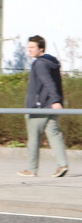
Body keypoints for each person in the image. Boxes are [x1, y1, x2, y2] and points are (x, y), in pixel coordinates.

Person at [20, 35, 68, 178]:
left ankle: (32, 169)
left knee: (34, 138)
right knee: (55, 135)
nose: (29, 50)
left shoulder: (40, 64)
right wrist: (56, 101)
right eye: (28, 47)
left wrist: (55, 100)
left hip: (39, 107)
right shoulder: (51, 62)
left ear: (40, 48)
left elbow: (48, 83)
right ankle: (62, 165)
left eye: (32, 47)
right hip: (50, 106)